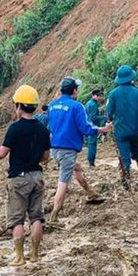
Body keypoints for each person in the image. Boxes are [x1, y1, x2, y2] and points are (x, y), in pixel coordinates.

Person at [0, 85, 50, 266]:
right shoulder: (42, 129)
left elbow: (2, 153)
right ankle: (34, 254)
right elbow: (45, 158)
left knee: (17, 219)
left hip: (18, 178)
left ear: (19, 106)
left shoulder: (15, 128)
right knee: (37, 217)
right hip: (37, 177)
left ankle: (19, 257)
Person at [47, 76, 112, 223]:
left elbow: (50, 127)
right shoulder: (77, 107)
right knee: (63, 181)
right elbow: (86, 128)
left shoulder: (52, 105)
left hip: (55, 149)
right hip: (67, 150)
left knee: (76, 167)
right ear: (74, 91)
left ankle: (90, 193)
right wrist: (104, 129)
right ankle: (54, 215)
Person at [107, 65, 138, 190]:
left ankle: (126, 183)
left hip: (121, 131)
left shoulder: (113, 94)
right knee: (136, 150)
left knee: (124, 156)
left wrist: (109, 122)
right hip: (135, 130)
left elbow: (109, 113)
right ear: (131, 78)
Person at [84, 89, 106, 166]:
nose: (99, 97)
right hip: (92, 126)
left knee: (90, 144)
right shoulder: (93, 105)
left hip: (88, 125)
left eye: (100, 95)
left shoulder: (89, 103)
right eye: (98, 95)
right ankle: (91, 163)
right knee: (92, 145)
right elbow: (93, 117)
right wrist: (103, 117)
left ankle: (91, 162)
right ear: (93, 95)